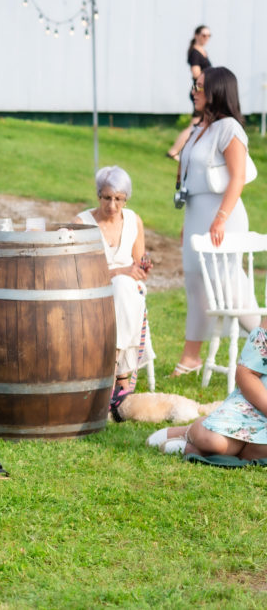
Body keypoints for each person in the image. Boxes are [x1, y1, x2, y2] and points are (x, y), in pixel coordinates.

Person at [171, 67, 252, 377]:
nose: (194, 91)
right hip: (196, 216)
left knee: (227, 289)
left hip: (223, 219)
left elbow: (238, 177)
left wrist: (220, 219)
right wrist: (188, 220)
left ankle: (263, 346)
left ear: (217, 91)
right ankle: (190, 358)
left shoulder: (229, 129)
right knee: (195, 287)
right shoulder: (199, 128)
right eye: (195, 85)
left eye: (201, 87)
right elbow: (191, 177)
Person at [73, 166, 155, 409]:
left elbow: (138, 265)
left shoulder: (134, 221)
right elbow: (76, 274)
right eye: (107, 197)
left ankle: (113, 363)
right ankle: (121, 376)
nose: (112, 205)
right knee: (121, 286)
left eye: (119, 199)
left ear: (126, 199)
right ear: (98, 195)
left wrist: (142, 268)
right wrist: (120, 272)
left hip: (127, 290)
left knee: (125, 288)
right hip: (92, 290)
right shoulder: (81, 223)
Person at [150, 326, 267, 459]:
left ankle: (198, 452)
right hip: (255, 403)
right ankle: (190, 432)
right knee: (216, 443)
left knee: (257, 452)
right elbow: (245, 374)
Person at [166, 25, 212, 161]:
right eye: (204, 35)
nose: (206, 38)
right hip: (200, 91)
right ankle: (174, 151)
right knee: (195, 124)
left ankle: (185, 151)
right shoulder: (195, 53)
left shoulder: (202, 51)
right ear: (196, 35)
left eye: (209, 35)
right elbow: (196, 73)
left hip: (204, 91)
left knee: (201, 123)